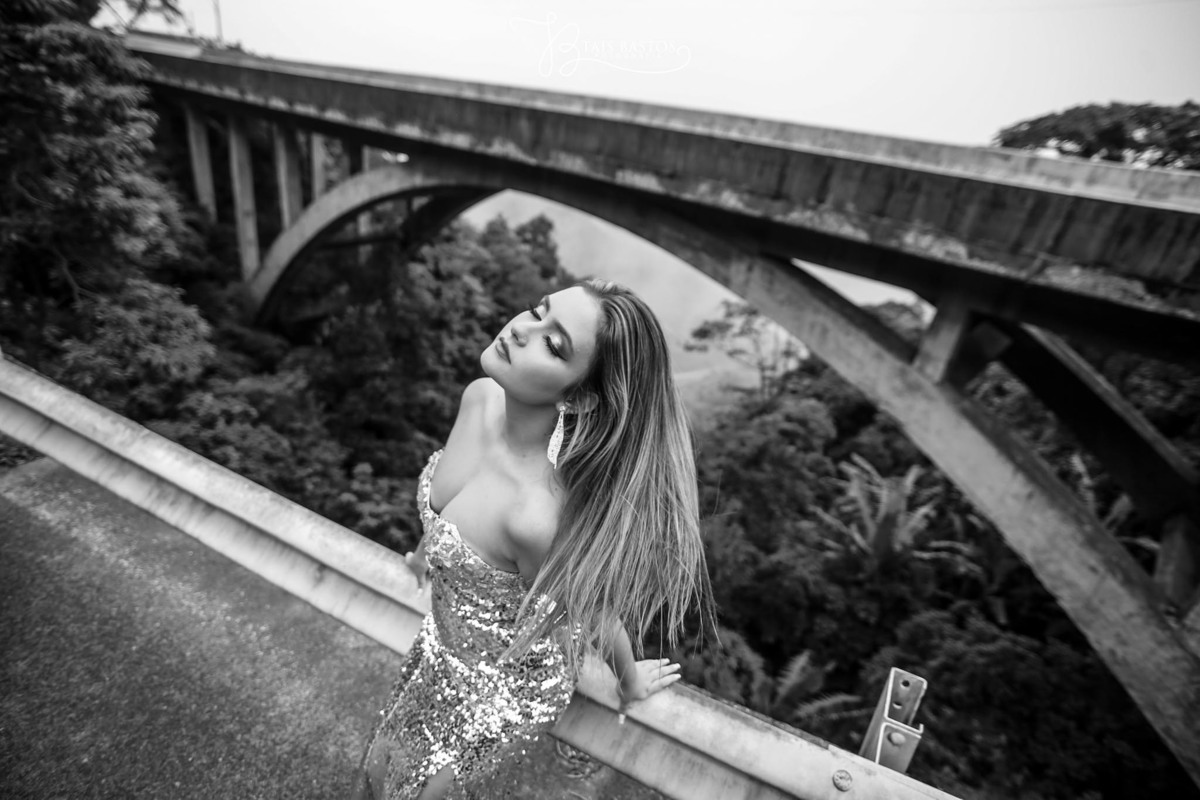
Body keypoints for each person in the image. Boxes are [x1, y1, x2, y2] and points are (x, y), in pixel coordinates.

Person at [354, 278, 715, 800]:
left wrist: (629, 678)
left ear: (581, 395)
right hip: (440, 643)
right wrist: (426, 555)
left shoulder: (537, 518)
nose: (522, 329)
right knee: (375, 770)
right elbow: (449, 511)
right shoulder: (480, 398)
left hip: (500, 688)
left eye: (554, 344)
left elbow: (593, 612)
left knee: (411, 793)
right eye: (536, 311)